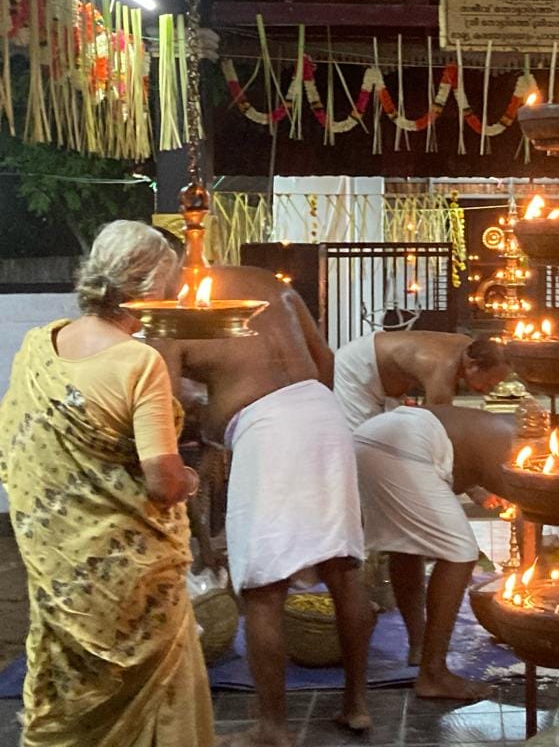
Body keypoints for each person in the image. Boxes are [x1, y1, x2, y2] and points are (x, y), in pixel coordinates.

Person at [0, 220, 215, 747]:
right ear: (150, 286)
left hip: (61, 574)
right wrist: (191, 479)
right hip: (134, 585)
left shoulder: (40, 345)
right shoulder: (138, 361)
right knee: (157, 700)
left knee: (71, 698)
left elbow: (19, 444)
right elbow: (162, 481)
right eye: (169, 281)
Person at [148, 265, 372, 746]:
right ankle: (356, 705)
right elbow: (324, 359)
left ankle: (273, 728)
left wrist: (212, 428)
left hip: (268, 430)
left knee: (263, 588)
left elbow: (164, 408)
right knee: (342, 567)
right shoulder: (270, 284)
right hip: (322, 413)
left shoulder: (173, 311)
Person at [352, 404, 515, 699]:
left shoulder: (497, 429)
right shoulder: (518, 448)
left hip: (369, 436)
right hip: (403, 443)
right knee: (460, 552)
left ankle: (419, 646)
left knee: (406, 545)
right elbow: (530, 512)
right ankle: (433, 673)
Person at [332, 330, 511, 431]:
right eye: (490, 382)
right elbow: (437, 428)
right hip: (358, 367)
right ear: (473, 365)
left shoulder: (468, 345)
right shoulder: (442, 367)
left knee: (388, 440)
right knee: (362, 441)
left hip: (389, 381)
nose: (488, 390)